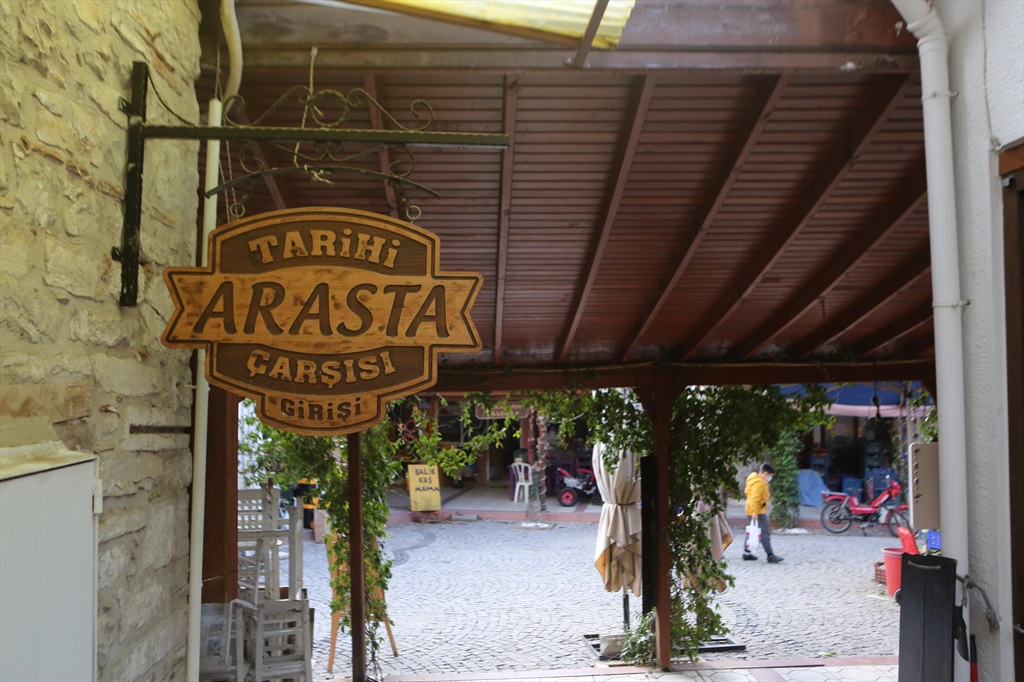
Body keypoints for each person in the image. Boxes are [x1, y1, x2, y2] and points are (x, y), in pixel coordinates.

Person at [743, 462, 783, 564]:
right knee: (764, 532)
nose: (770, 478)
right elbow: (755, 498)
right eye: (770, 475)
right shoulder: (759, 483)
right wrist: (755, 512)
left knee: (753, 531)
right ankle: (770, 555)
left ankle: (747, 553)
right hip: (757, 510)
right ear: (765, 474)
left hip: (751, 509)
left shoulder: (754, 479)